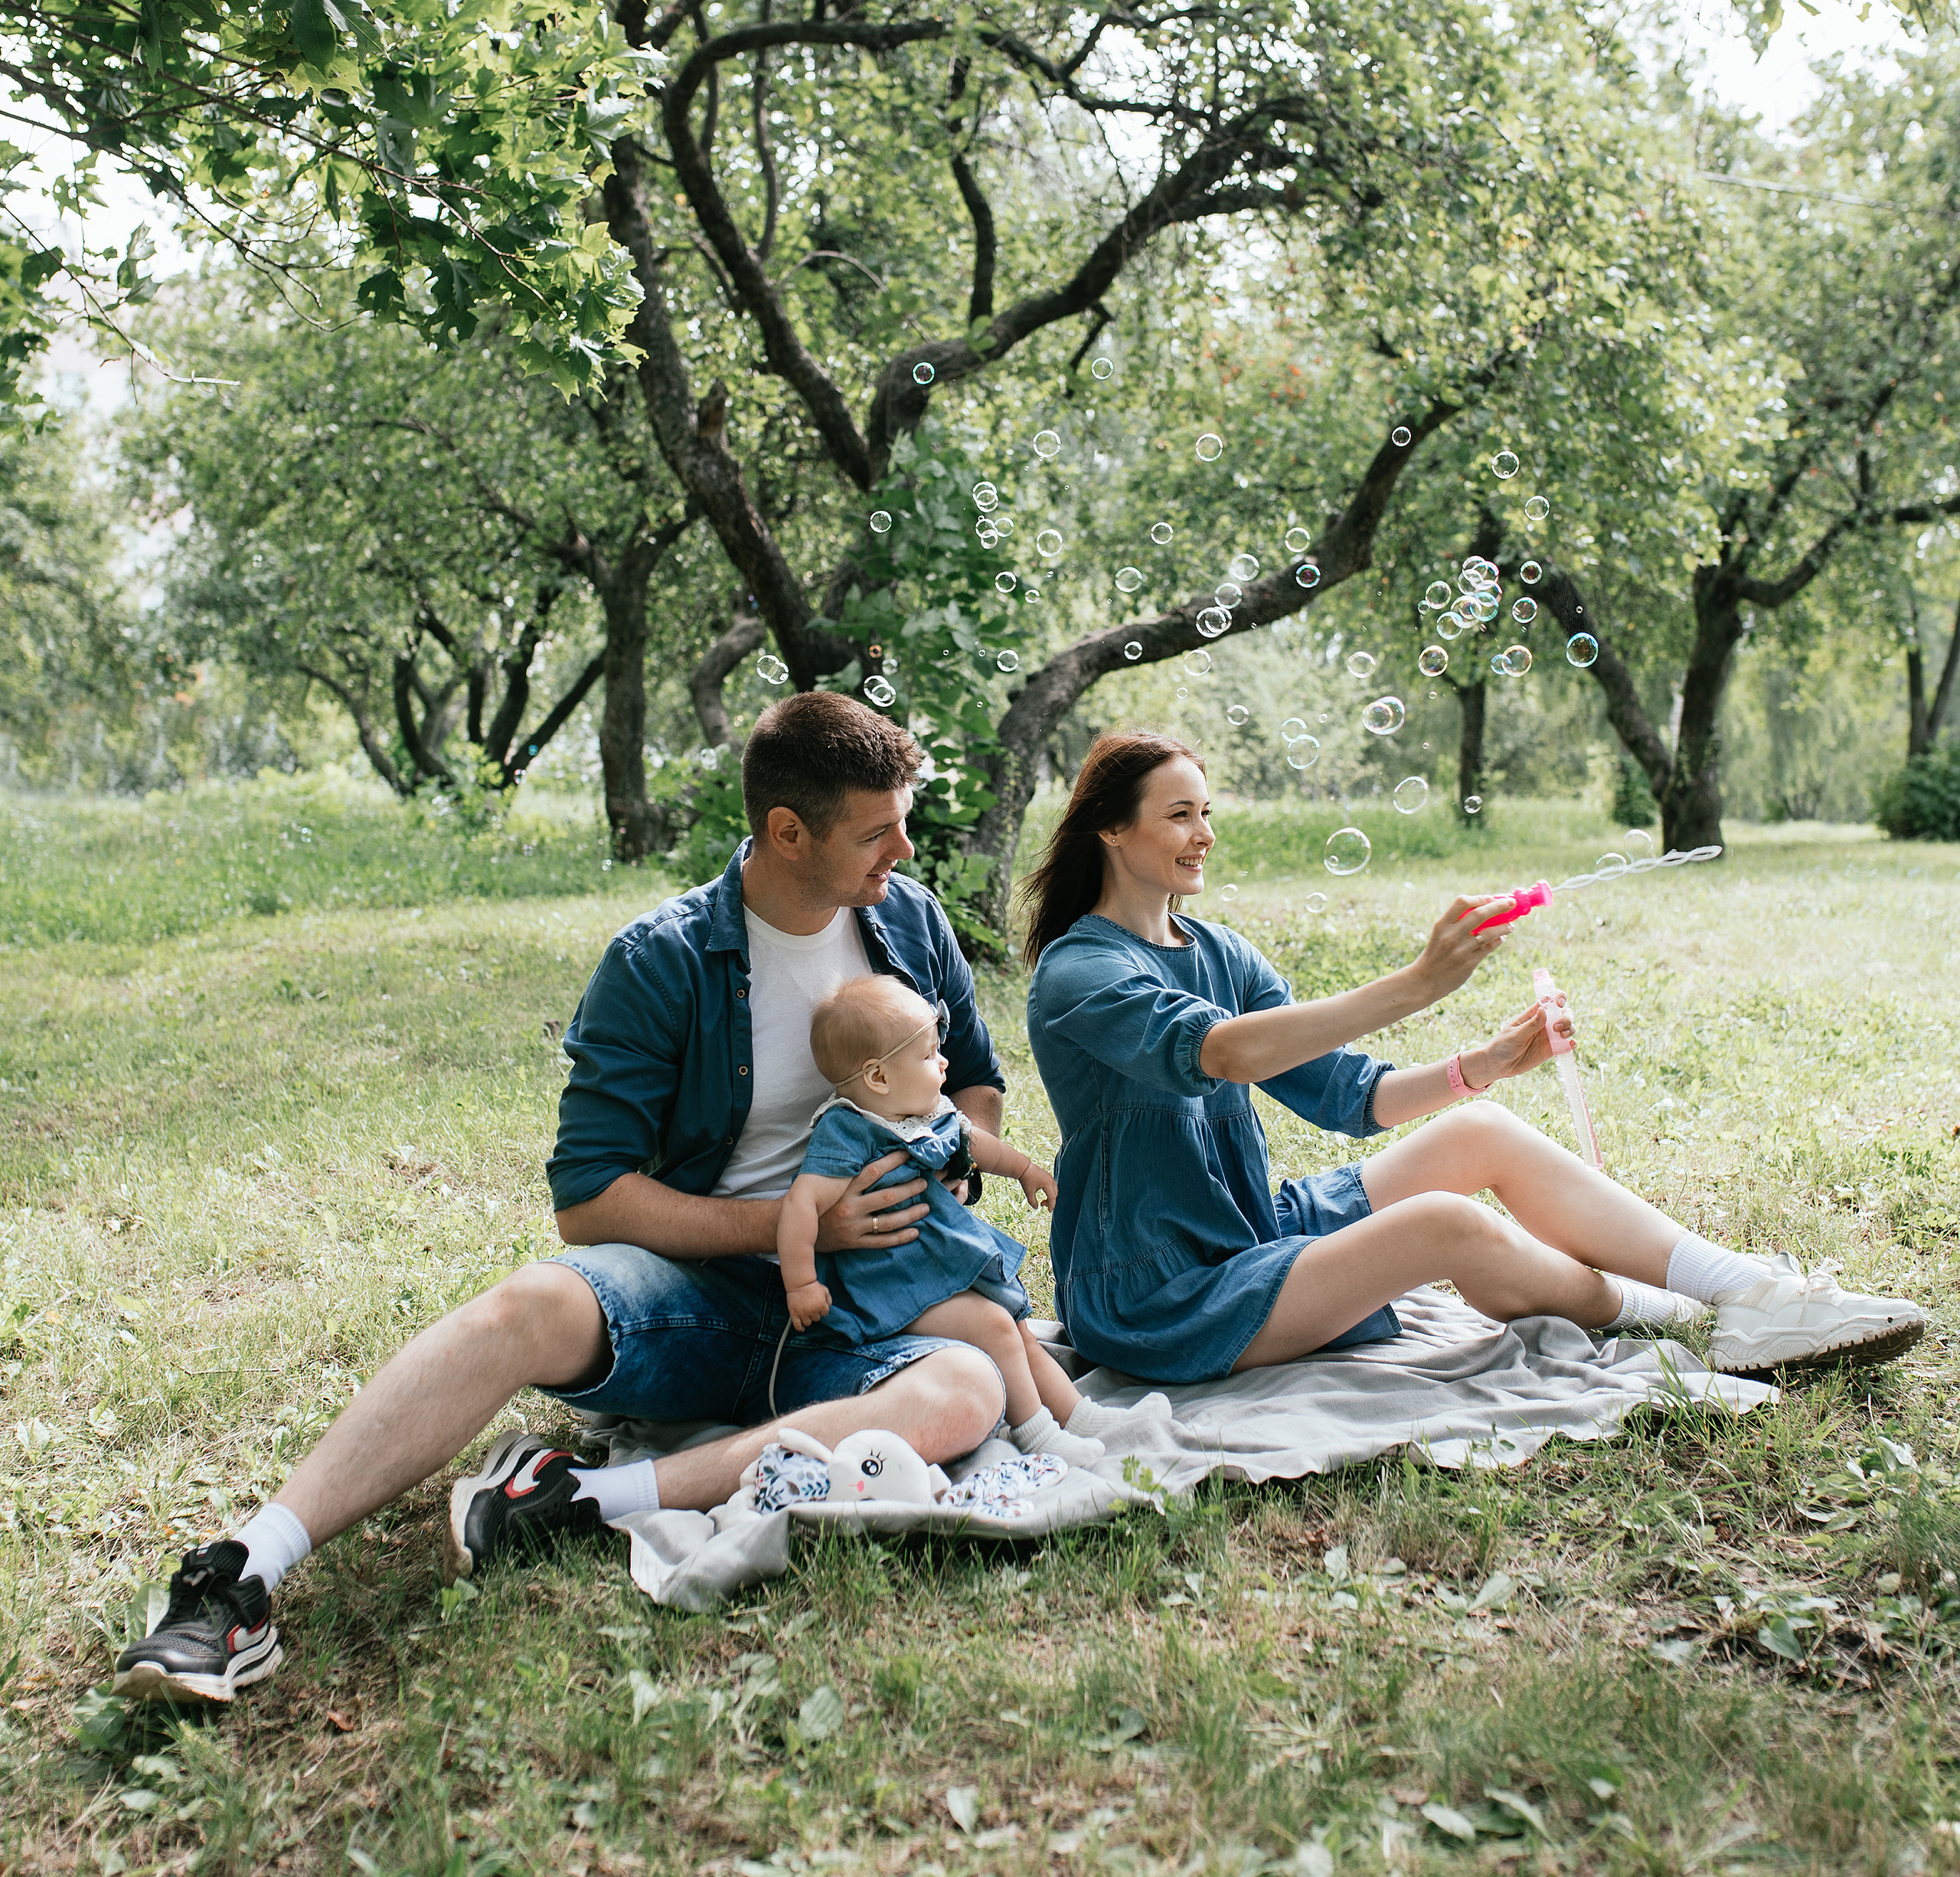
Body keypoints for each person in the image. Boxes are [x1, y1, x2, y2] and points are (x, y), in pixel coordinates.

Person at [113, 695, 1018, 1704]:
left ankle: (575, 1501)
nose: (904, 846)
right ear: (787, 832)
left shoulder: (912, 921)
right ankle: (242, 1571)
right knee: (531, 1302)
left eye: (903, 819)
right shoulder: (660, 959)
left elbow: (975, 1080)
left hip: (873, 1309)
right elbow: (592, 1203)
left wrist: (945, 1167)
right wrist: (795, 1226)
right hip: (707, 1298)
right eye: (876, 829)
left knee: (969, 1387)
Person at [1023, 730, 1926, 1385]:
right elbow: (1220, 1055)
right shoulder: (1080, 970)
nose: (1203, 833)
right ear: (1110, 828)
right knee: (1444, 1226)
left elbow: (1347, 1095)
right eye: (1178, 815)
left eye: (1206, 812)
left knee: (1482, 1131)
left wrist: (1481, 1065)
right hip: (1159, 1289)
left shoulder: (1218, 949)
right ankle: (1695, 1323)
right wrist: (1416, 983)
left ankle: (1751, 1294)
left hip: (1249, 1226)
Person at [779, 975, 1103, 1469]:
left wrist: (1024, 1169)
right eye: (930, 1055)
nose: (945, 1063)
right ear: (878, 1078)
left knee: (1016, 1330)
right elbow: (801, 1205)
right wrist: (801, 1282)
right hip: (888, 1283)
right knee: (995, 1324)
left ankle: (1080, 1417)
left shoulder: (925, 1112)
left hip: (935, 1266)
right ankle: (1036, 1434)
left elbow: (973, 1141)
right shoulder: (848, 1130)